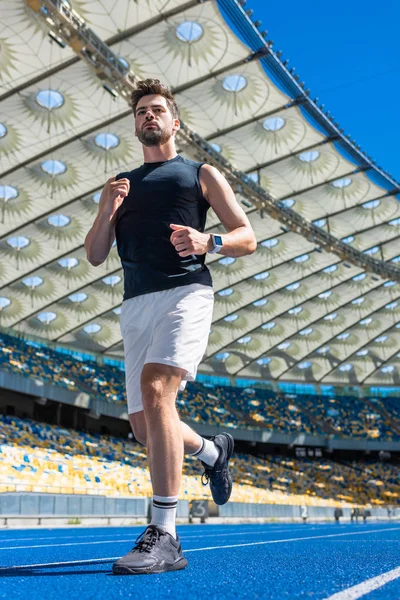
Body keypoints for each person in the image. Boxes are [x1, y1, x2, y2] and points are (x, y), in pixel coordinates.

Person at [85, 79, 257, 575]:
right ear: (134, 124)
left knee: (158, 390)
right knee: (144, 427)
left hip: (186, 292)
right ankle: (210, 449)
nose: (148, 117)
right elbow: (96, 255)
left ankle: (166, 533)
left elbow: (247, 237)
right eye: (141, 112)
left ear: (174, 122)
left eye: (157, 110)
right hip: (135, 303)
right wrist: (105, 212)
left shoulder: (199, 172)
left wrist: (210, 242)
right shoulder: (121, 183)